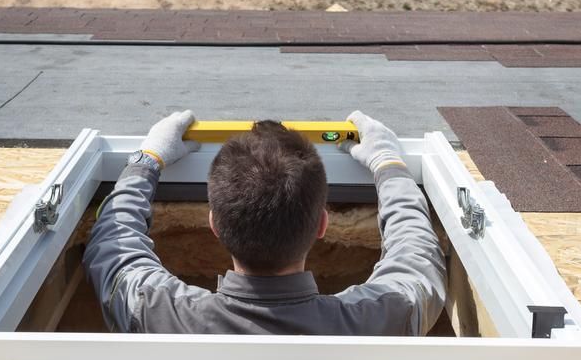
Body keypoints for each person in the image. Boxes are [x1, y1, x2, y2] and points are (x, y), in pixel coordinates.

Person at [83, 110, 446, 335]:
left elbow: (114, 249)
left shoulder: (157, 311)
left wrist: (146, 161)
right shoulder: (379, 318)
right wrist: (388, 164)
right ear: (322, 225)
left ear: (213, 224)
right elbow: (416, 259)